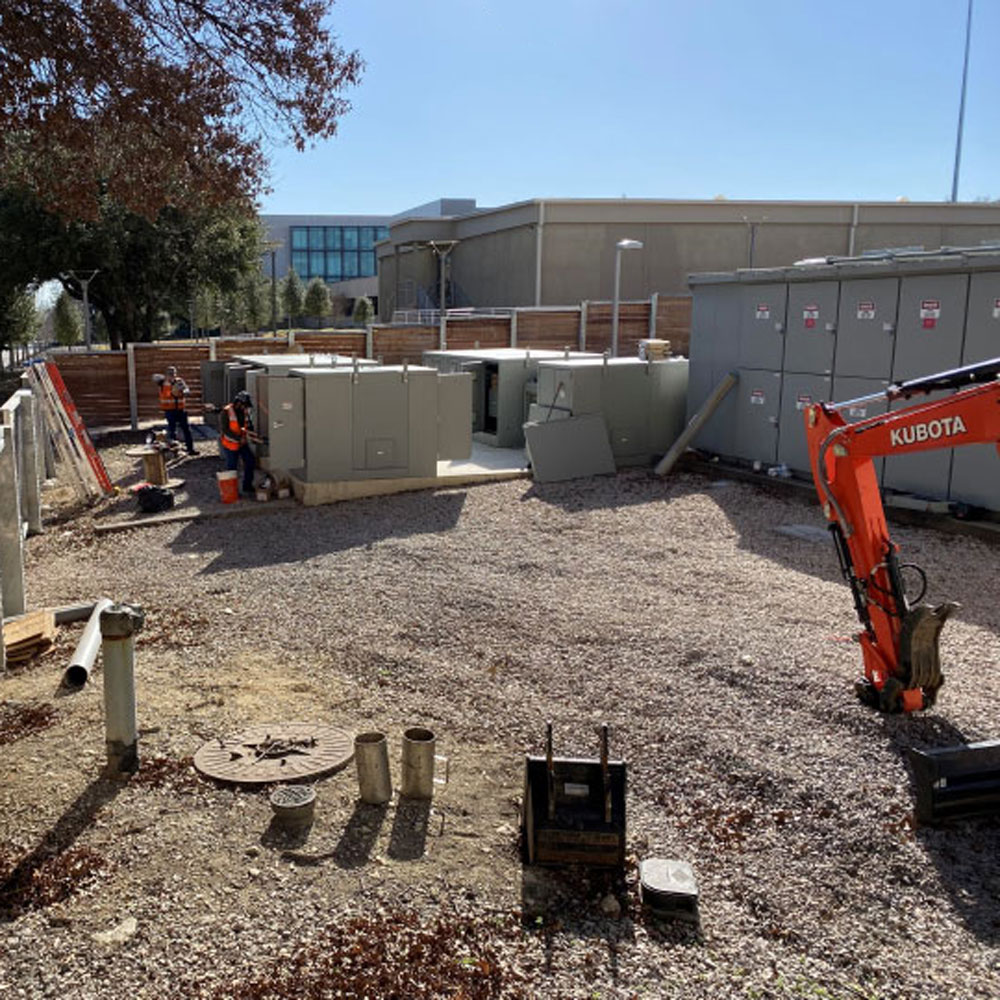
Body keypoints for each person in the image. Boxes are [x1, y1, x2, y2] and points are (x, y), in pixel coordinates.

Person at [220, 390, 258, 496]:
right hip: (230, 445)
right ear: (238, 403)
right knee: (232, 468)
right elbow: (225, 430)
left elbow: (247, 425)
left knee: (250, 461)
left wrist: (252, 433)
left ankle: (247, 486)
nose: (245, 408)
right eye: (244, 406)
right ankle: (232, 491)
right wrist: (238, 438)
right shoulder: (226, 412)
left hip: (242, 443)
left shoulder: (244, 411)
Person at [154, 366, 196, 455]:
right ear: (167, 375)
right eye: (170, 374)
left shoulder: (180, 381)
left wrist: (184, 392)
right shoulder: (163, 383)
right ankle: (173, 451)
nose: (172, 376)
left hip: (181, 409)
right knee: (172, 431)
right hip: (169, 410)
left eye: (173, 374)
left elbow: (187, 390)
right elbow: (155, 377)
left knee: (186, 429)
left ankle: (190, 449)